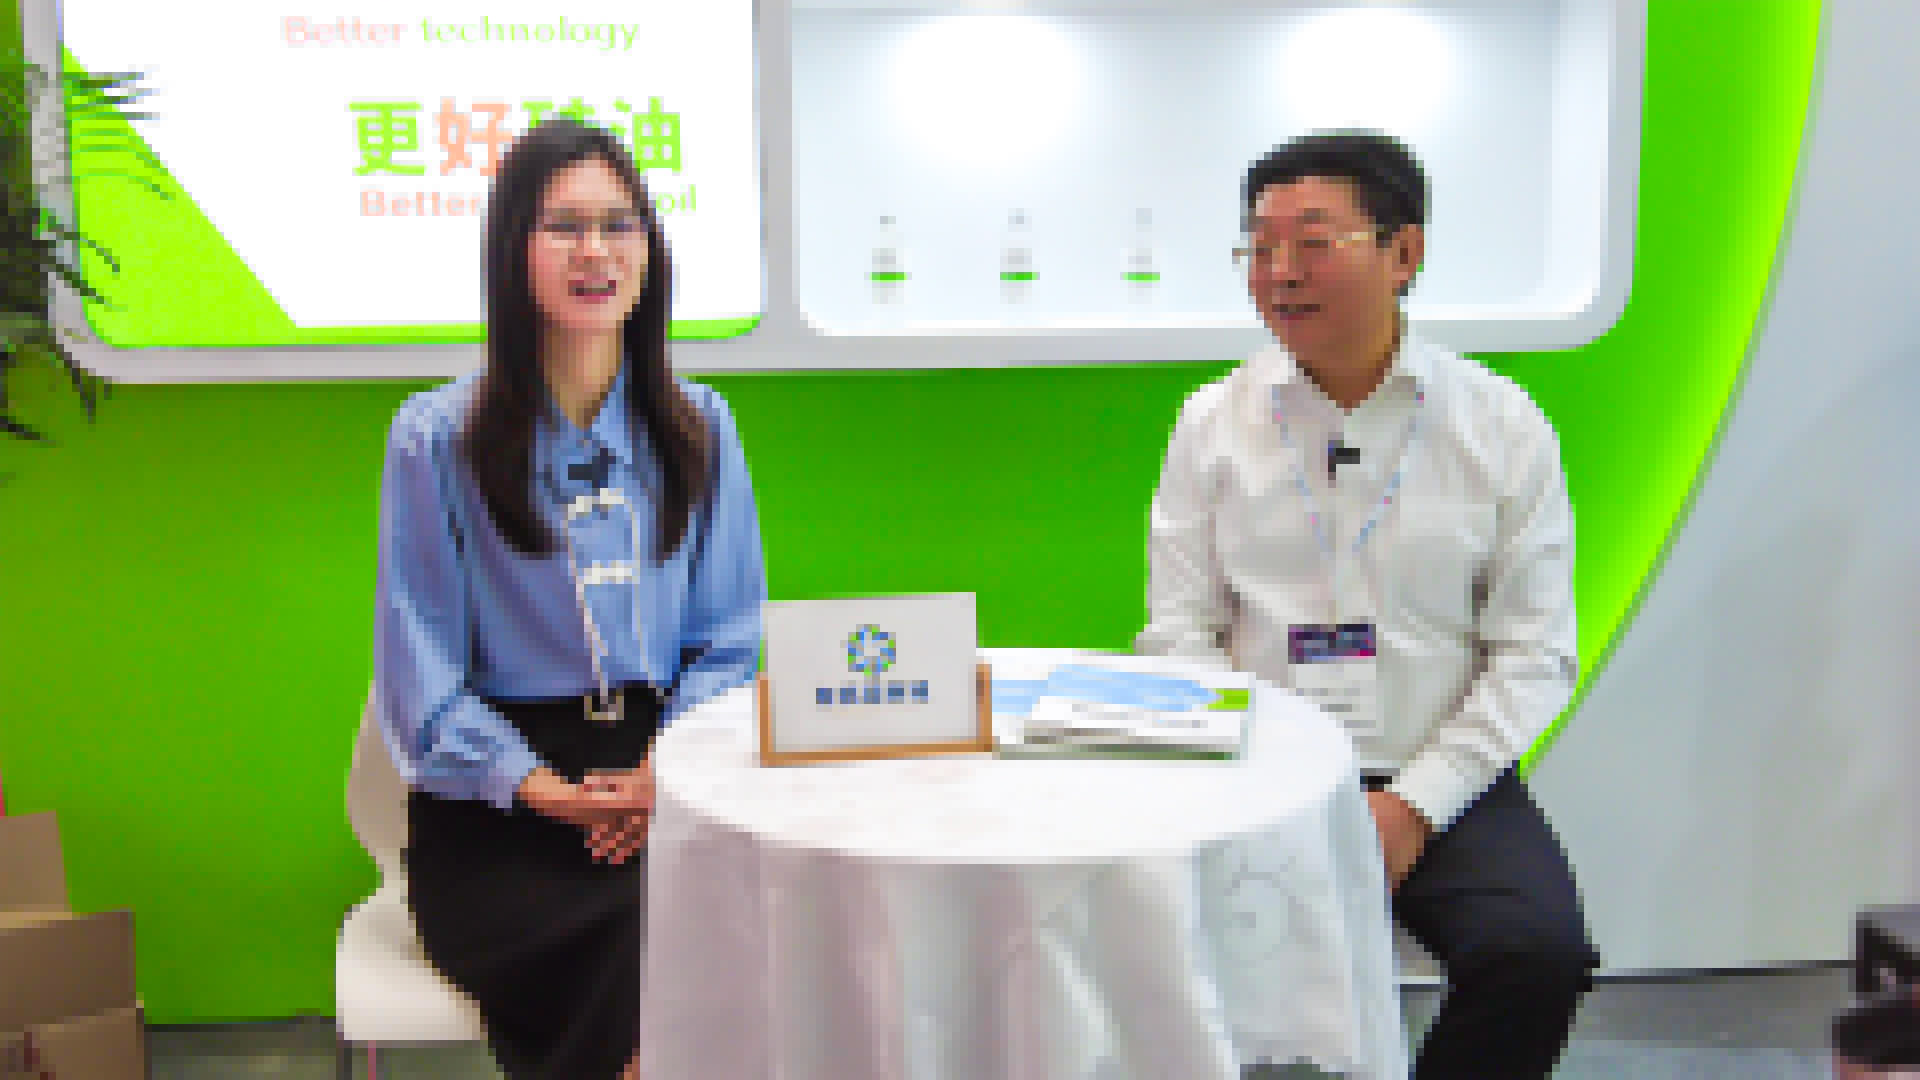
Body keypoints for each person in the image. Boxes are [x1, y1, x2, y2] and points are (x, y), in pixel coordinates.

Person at [1135, 130, 1598, 1078]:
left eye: (1313, 243)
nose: (1279, 273)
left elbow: (1534, 653)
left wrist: (1414, 806)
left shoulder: (1502, 425)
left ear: (1404, 252)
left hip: (1435, 768)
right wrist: (1256, 767)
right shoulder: (1210, 424)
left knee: (1537, 953)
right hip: (1254, 764)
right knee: (1167, 947)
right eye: (1260, 247)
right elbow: (1178, 628)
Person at [371, 116, 766, 1080]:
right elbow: (421, 682)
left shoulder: (700, 427)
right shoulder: (437, 440)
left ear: (649, 251)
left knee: (742, 919)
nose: (596, 251)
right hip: (502, 810)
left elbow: (727, 641)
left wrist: (662, 774)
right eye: (564, 226)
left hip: (664, 776)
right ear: (514, 250)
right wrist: (550, 791)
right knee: (645, 948)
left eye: (618, 224)